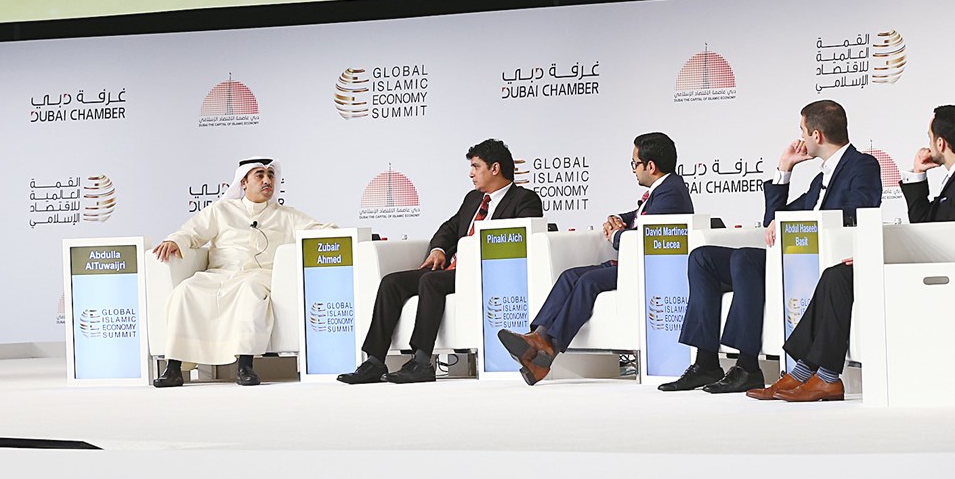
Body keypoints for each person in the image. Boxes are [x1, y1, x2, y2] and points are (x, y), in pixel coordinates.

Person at [749, 104, 955, 402]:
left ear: (940, 143)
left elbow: (942, 238)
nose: (926, 143)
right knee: (836, 276)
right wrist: (917, 176)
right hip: (941, 267)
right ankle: (808, 373)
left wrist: (876, 254)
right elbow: (929, 227)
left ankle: (824, 378)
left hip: (953, 274)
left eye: (928, 136)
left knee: (838, 277)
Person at [661, 99, 882, 394]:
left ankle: (747, 367)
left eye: (802, 131)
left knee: (744, 259)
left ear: (816, 135)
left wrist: (807, 223)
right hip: (792, 257)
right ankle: (706, 364)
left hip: (823, 258)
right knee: (703, 258)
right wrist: (784, 170)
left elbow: (861, 210)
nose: (800, 138)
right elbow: (773, 221)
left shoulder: (862, 165)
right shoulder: (820, 178)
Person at [338, 139, 544, 385]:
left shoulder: (524, 200)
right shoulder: (473, 199)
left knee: (430, 281)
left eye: (476, 167)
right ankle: (374, 361)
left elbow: (520, 241)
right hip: (452, 269)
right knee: (391, 283)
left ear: (495, 168)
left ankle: (421, 362)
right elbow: (449, 228)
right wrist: (438, 249)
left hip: (485, 272)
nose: (471, 173)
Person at [497, 132, 693, 385]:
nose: (634, 170)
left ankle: (544, 350)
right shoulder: (664, 189)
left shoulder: (670, 193)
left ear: (651, 166)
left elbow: (649, 239)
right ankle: (539, 339)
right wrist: (618, 219)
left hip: (651, 271)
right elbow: (639, 216)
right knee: (569, 276)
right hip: (634, 265)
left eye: (635, 164)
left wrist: (616, 236)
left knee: (588, 281)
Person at [150, 157, 326, 387]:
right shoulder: (221, 210)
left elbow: (319, 230)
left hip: (259, 274)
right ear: (243, 182)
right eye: (260, 175)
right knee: (186, 291)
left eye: (270, 175)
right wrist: (175, 241)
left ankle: (245, 367)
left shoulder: (287, 215)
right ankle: (173, 368)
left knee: (249, 291)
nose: (267, 181)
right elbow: (191, 232)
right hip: (219, 274)